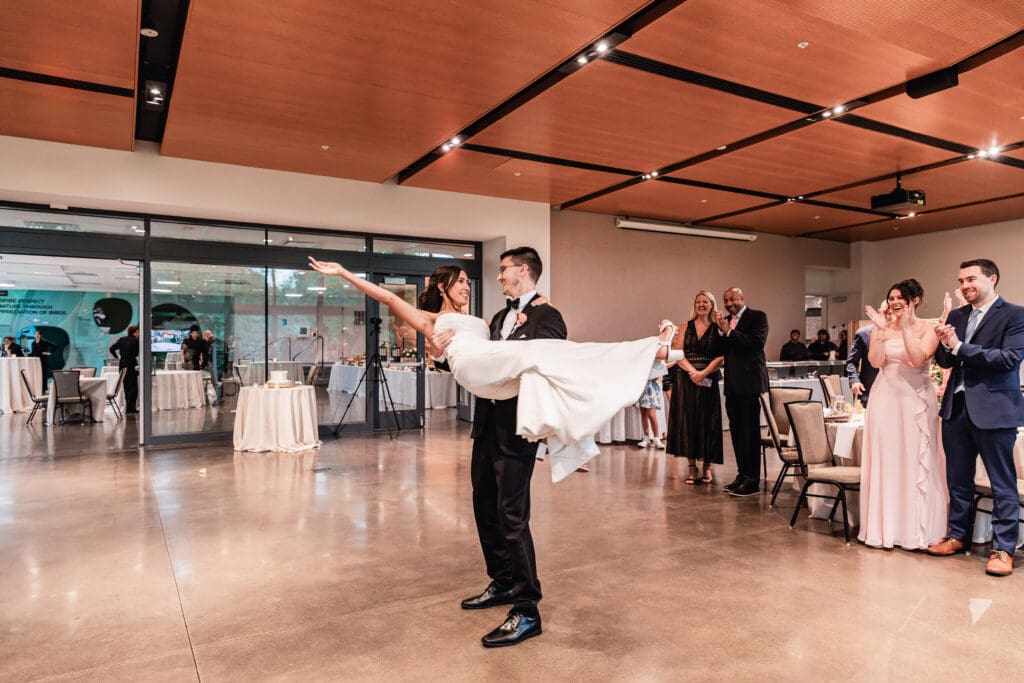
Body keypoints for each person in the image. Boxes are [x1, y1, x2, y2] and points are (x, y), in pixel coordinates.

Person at [308, 252, 681, 647]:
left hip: (514, 425)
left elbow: (546, 358)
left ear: (522, 270)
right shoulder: (486, 320)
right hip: (485, 412)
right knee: (484, 505)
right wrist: (435, 349)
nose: (477, 283)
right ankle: (502, 582)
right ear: (442, 288)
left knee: (511, 515)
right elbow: (393, 303)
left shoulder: (541, 315)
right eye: (463, 282)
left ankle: (526, 609)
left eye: (498, 271)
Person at [928, 259, 1024, 577]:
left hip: (996, 410)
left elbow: (1008, 359)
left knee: (1002, 482)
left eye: (972, 279)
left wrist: (959, 345)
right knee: (958, 479)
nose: (965, 285)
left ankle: (1003, 549)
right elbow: (945, 360)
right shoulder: (957, 315)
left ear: (992, 279)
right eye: (961, 280)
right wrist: (943, 341)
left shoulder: (1014, 314)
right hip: (957, 407)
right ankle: (957, 536)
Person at [858, 279, 947, 550]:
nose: (895, 301)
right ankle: (885, 528)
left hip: (915, 398)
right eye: (892, 297)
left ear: (915, 300)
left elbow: (917, 359)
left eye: (901, 297)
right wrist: (882, 330)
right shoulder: (879, 327)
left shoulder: (927, 327)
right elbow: (875, 361)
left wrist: (906, 326)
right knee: (887, 458)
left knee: (914, 458)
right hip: (884, 396)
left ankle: (916, 530)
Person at [713, 287, 769, 497]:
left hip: (751, 383)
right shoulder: (725, 322)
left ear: (742, 298)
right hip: (732, 385)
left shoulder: (757, 317)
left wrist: (729, 331)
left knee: (750, 433)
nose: (729, 304)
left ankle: (753, 480)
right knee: (736, 433)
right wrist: (720, 332)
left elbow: (756, 344)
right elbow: (717, 351)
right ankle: (742, 475)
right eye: (726, 300)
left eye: (732, 299)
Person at [666, 291, 725, 485]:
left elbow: (722, 356)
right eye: (698, 301)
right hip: (686, 379)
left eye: (705, 301)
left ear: (711, 305)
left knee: (709, 422)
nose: (701, 304)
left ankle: (707, 467)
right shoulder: (685, 326)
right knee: (688, 421)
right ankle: (691, 468)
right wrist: (693, 373)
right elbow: (678, 353)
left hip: (709, 377)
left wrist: (704, 373)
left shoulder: (718, 328)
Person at [109, 324, 140, 414]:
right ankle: (131, 408)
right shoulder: (136, 341)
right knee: (133, 387)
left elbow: (112, 348)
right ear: (136, 332)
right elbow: (137, 352)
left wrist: (117, 357)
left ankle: (128, 407)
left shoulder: (122, 339)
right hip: (131, 364)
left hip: (122, 364)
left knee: (126, 385)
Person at [846, 325, 877, 406]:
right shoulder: (864, 333)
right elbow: (852, 361)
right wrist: (854, 380)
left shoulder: (901, 333)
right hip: (869, 387)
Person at [203, 329, 222, 405]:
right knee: (218, 382)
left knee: (215, 382)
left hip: (214, 364)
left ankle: (219, 399)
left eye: (204, 337)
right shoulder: (218, 341)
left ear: (206, 336)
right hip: (219, 365)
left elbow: (208, 354)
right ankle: (221, 398)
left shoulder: (210, 342)